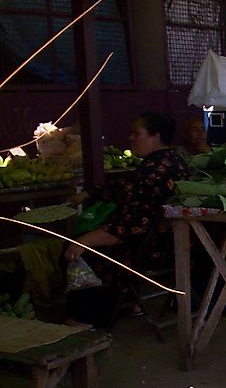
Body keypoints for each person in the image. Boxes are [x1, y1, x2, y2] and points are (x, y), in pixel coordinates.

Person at [64, 112, 190, 327]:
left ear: (155, 137)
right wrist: (89, 194)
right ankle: (130, 303)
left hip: (153, 249)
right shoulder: (173, 161)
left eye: (136, 133)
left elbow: (127, 227)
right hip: (175, 241)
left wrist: (83, 242)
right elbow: (125, 187)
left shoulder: (153, 173)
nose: (131, 138)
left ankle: (86, 318)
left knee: (77, 251)